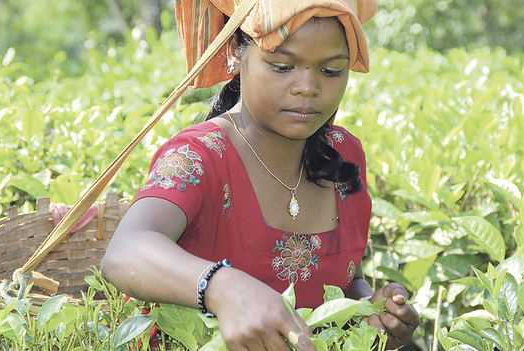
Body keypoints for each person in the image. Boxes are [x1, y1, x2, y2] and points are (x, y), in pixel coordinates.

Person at [101, 1, 419, 350]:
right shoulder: (201, 156)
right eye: (282, 66)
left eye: (331, 71)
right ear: (236, 54)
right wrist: (223, 288)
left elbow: (345, 277)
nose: (308, 87)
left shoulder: (342, 157)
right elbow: (125, 251)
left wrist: (373, 312)